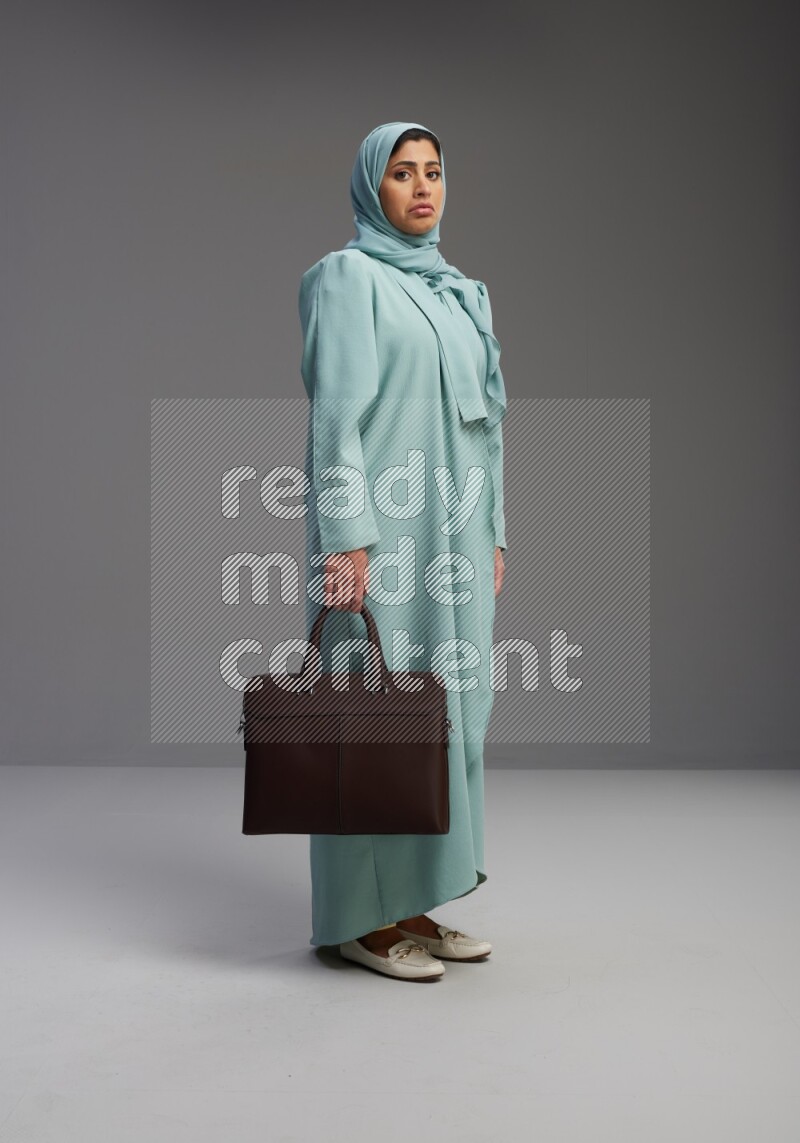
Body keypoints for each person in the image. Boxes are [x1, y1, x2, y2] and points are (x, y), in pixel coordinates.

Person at [298, 121, 507, 981]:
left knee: (448, 715)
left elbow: (489, 426)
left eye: (434, 171)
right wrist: (345, 538)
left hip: (455, 531)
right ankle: (359, 918)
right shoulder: (349, 278)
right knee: (373, 719)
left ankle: (414, 899)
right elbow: (334, 418)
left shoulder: (462, 293)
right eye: (402, 173)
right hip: (383, 532)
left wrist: (494, 530)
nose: (422, 187)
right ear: (370, 188)